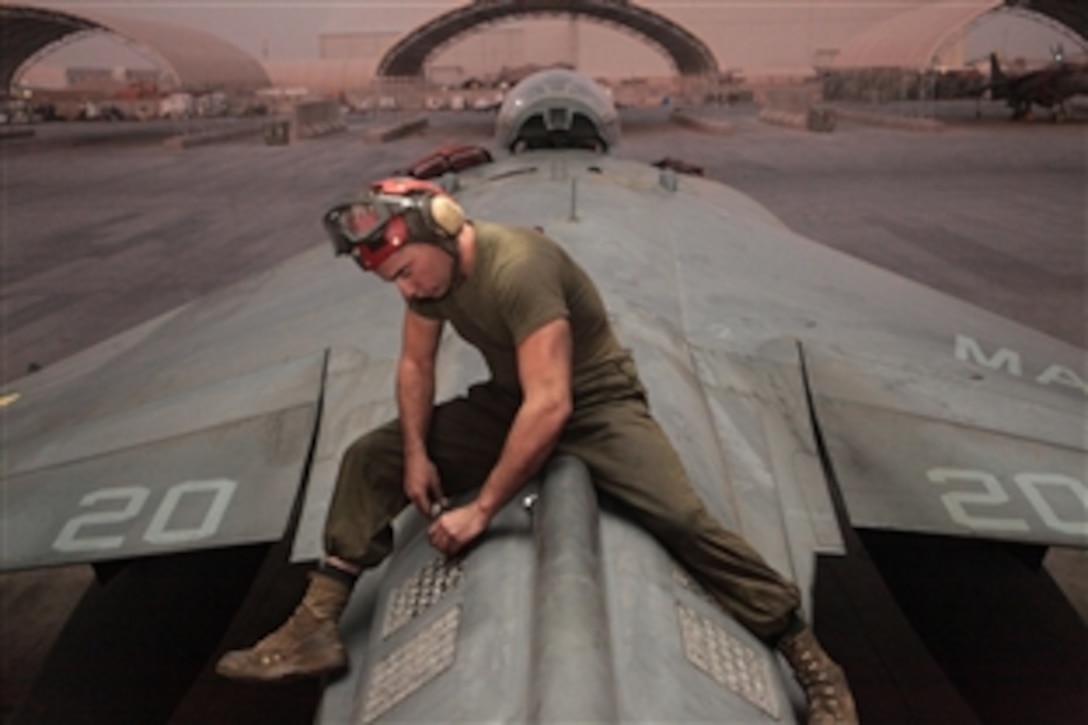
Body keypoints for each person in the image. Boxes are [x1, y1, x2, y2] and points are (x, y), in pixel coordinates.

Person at [216, 177, 857, 724]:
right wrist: (414, 452)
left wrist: (482, 509)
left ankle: (811, 659)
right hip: (512, 399)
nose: (406, 291)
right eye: (393, 281)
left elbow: (553, 405)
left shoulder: (519, 265)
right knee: (368, 458)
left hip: (597, 404)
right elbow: (416, 366)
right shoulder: (430, 284)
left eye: (406, 272)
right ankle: (317, 624)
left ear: (441, 230)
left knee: (684, 520)